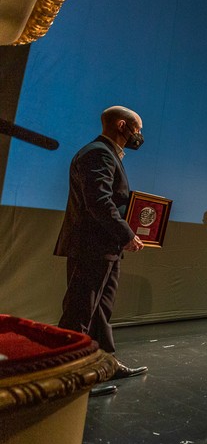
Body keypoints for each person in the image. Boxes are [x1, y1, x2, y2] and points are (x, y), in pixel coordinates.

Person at [55, 106, 149, 397]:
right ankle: (71, 376)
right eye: (137, 129)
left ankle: (104, 364)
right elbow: (99, 202)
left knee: (100, 310)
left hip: (105, 246)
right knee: (81, 310)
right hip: (91, 246)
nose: (139, 136)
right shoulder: (98, 152)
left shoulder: (107, 154)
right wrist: (127, 233)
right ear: (122, 125)